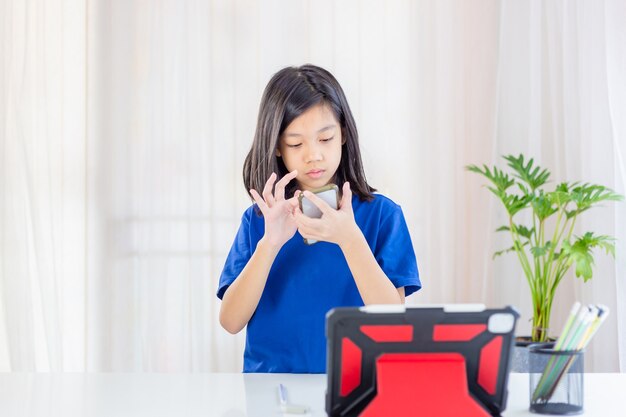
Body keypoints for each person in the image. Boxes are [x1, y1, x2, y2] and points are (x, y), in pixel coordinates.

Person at [217, 64, 421, 373]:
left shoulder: (382, 216)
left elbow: (392, 322)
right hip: (274, 394)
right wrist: (270, 244)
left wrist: (350, 239)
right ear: (276, 147)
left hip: (358, 389)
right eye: (296, 144)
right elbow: (231, 321)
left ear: (342, 135)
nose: (314, 155)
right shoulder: (259, 221)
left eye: (325, 139)